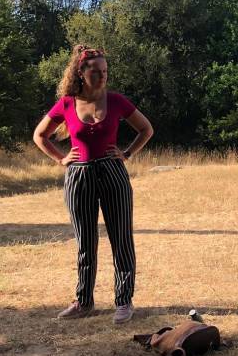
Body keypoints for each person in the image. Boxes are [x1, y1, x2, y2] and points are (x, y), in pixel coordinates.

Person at [33, 45, 154, 323]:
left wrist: (127, 153)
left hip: (113, 173)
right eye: (96, 72)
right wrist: (61, 159)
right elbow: (40, 135)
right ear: (81, 72)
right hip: (79, 176)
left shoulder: (117, 101)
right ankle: (84, 301)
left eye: (105, 72)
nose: (102, 77)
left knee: (121, 238)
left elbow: (146, 129)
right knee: (85, 242)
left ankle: (124, 301)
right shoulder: (66, 103)